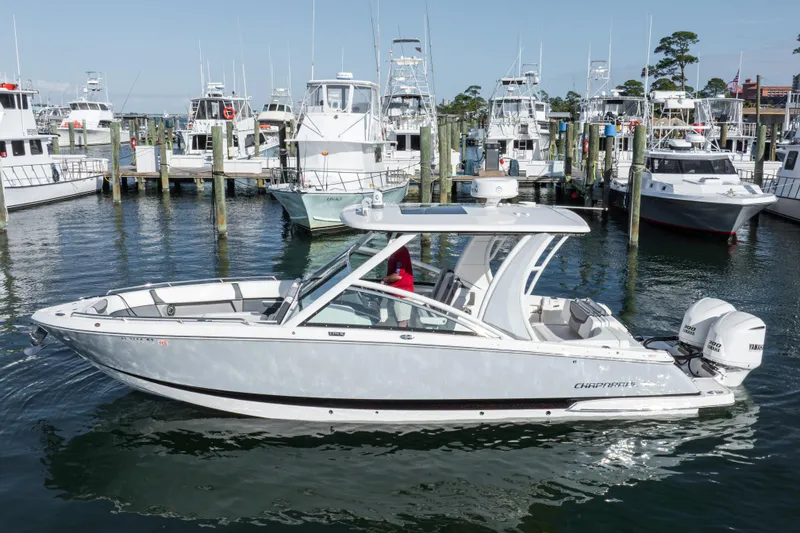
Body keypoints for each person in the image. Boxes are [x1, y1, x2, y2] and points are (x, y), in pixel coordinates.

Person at [382, 241, 414, 328]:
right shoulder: (396, 251)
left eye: (388, 235)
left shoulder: (401, 252)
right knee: (397, 319)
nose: (386, 237)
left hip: (401, 294)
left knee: (402, 322)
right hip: (394, 292)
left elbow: (398, 276)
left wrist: (384, 280)